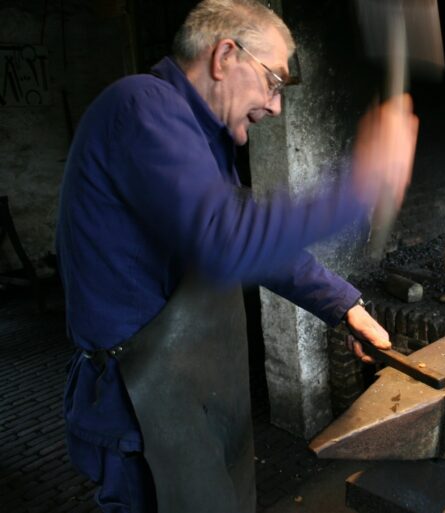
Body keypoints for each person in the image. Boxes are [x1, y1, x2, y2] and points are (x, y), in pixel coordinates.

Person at [55, 0, 418, 511]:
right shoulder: (141, 108)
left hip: (182, 399)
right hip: (136, 408)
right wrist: (362, 185)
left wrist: (346, 308)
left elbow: (254, 238)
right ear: (225, 55)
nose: (275, 106)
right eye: (274, 82)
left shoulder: (200, 141)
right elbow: (227, 240)